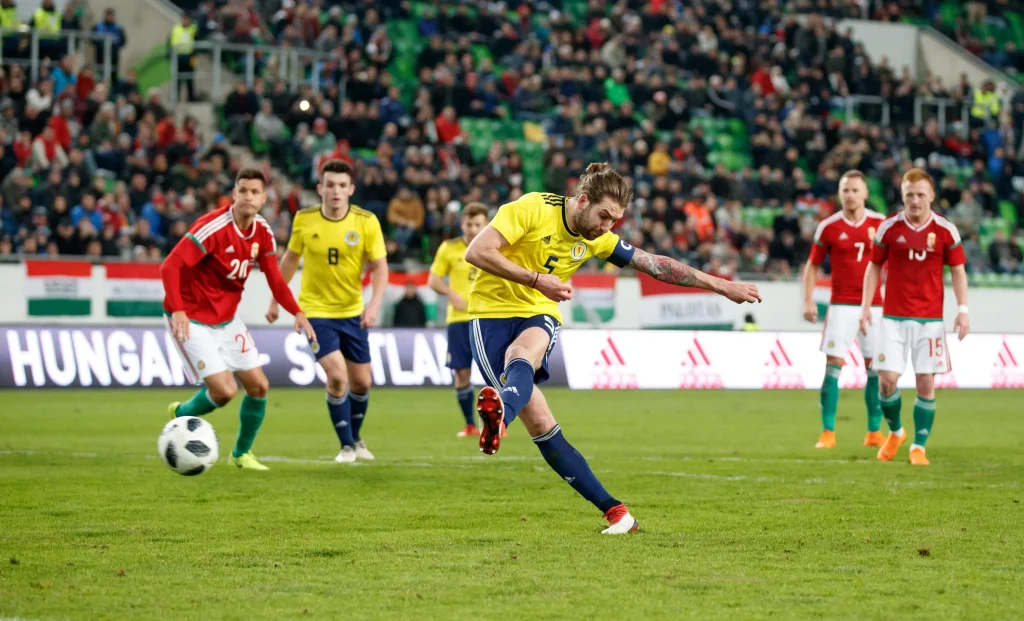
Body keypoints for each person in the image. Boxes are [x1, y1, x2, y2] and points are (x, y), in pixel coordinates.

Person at [465, 163, 762, 534]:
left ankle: (499, 419)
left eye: (615, 220)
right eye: (604, 216)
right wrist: (537, 279)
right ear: (583, 200)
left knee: (521, 355)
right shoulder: (530, 209)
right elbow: (477, 252)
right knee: (541, 422)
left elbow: (656, 265)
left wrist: (720, 284)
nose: (608, 227)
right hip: (490, 314)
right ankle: (618, 512)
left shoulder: (597, 237)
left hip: (538, 311)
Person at [160, 168, 316, 471]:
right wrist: (178, 309)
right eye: (242, 190)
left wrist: (296, 311)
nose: (248, 196)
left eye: (254, 192)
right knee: (225, 391)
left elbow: (274, 277)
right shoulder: (212, 227)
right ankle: (182, 413)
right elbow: (170, 267)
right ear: (234, 193)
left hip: (227, 319)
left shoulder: (262, 232)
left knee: (259, 386)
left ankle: (241, 455)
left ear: (263, 198)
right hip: (190, 316)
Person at [267, 159, 388, 464]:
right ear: (320, 188)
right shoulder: (304, 219)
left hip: (352, 311)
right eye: (330, 185)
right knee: (337, 377)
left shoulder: (366, 221)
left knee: (362, 382)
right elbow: (291, 259)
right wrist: (275, 299)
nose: (335, 191)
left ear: (351, 190)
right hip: (316, 313)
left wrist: (373, 305)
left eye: (342, 186)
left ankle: (357, 439)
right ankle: (346, 445)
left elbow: (379, 266)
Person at [860, 168, 969, 466]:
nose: (915, 201)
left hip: (930, 321)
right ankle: (896, 432)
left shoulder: (946, 230)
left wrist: (963, 310)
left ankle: (918, 446)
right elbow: (874, 267)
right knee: (886, 381)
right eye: (909, 195)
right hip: (893, 319)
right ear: (902, 196)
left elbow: (958, 271)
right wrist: (866, 305)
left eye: (921, 195)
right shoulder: (888, 228)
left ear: (932, 196)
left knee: (925, 383)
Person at [802, 170, 887, 449]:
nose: (850, 195)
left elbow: (894, 264)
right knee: (833, 366)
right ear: (840, 193)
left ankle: (874, 432)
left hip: (875, 306)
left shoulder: (880, 223)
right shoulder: (828, 226)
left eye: (855, 190)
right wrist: (808, 299)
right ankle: (828, 432)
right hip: (840, 306)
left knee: (874, 367)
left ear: (865, 193)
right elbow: (812, 264)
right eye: (845, 190)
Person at [427, 202, 490, 437]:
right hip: (459, 320)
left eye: (478, 225)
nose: (473, 229)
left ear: (486, 225)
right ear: (462, 223)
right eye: (469, 224)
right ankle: (470, 425)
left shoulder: (494, 246)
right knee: (461, 372)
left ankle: (494, 424)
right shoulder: (449, 248)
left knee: (493, 373)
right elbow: (433, 281)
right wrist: (451, 293)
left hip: (487, 318)